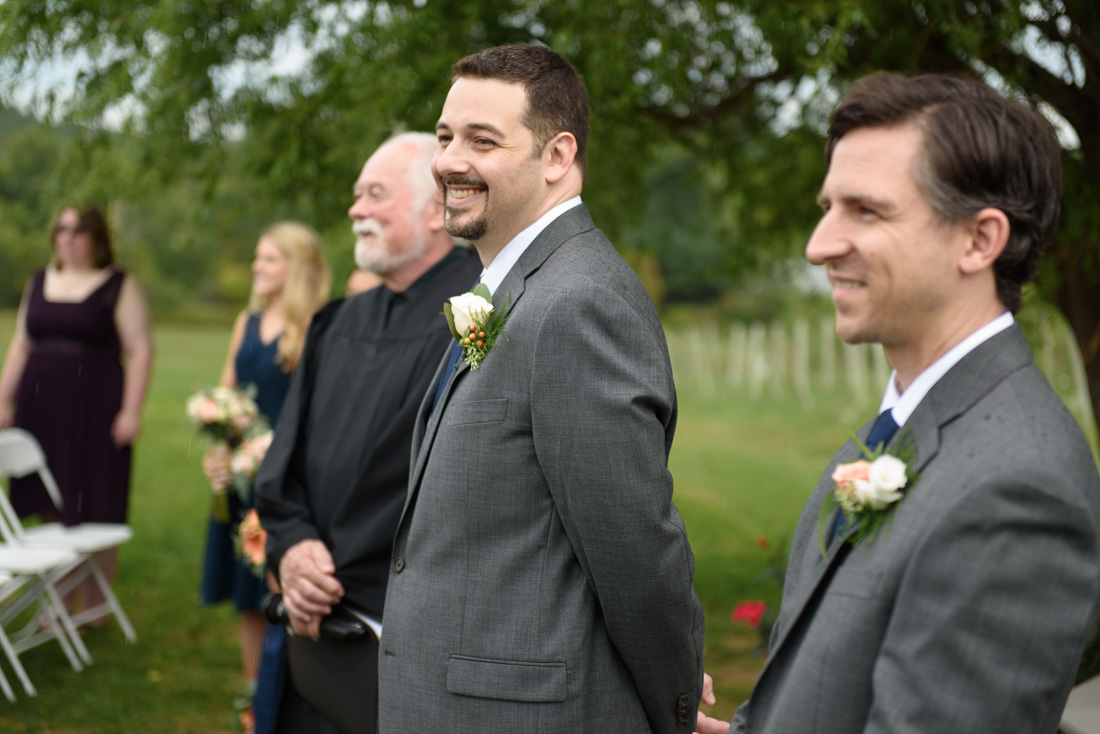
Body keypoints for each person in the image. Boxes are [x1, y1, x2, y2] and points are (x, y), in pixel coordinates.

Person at [696, 72, 1100, 734]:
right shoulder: (900, 428)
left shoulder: (1019, 487)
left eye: (867, 211)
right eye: (828, 207)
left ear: (979, 240)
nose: (819, 245)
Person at [377, 44, 705, 734]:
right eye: (444, 136)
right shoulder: (517, 289)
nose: (449, 161)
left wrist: (672, 706)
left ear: (557, 156)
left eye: (482, 141)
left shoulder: (577, 303)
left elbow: (634, 553)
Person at [254, 132, 481, 734]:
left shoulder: (478, 321)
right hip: (315, 637)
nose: (355, 209)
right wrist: (293, 547)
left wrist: (331, 577)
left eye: (375, 194)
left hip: (408, 644)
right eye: (356, 194)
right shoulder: (337, 322)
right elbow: (282, 466)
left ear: (436, 208)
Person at [198, 221, 330, 733]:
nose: (258, 267)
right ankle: (255, 700)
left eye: (270, 258)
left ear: (297, 267)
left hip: (289, 479)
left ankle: (289, 694)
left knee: (278, 588)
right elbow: (227, 396)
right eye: (258, 257)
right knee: (247, 595)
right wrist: (218, 451)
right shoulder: (246, 321)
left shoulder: (317, 324)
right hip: (242, 478)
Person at [0, 203, 153, 617]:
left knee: (97, 499)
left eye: (78, 230)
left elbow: (139, 349)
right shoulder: (39, 281)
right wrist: (2, 398)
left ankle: (96, 605)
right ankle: (60, 604)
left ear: (97, 239)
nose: (67, 238)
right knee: (50, 500)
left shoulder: (118, 284)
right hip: (40, 404)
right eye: (61, 229)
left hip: (96, 407)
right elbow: (21, 345)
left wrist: (131, 410)